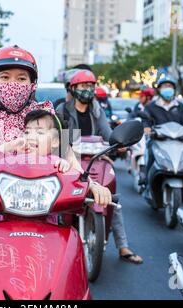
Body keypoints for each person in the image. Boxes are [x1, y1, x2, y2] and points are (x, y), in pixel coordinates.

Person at [0, 45, 112, 210]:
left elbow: (72, 161)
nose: (13, 84)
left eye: (21, 78)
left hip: (48, 210)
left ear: (32, 84)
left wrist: (94, 185)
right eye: (5, 77)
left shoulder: (51, 116)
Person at [56, 69, 143, 264]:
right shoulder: (61, 110)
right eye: (83, 86)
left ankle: (123, 246)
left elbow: (108, 133)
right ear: (73, 88)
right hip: (71, 161)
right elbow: (56, 136)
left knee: (111, 198)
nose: (88, 90)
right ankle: (56, 241)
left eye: (91, 86)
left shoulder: (97, 110)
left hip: (96, 158)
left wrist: (117, 145)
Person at [139, 77, 183, 185]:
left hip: (179, 141)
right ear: (159, 89)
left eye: (170, 86)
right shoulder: (151, 106)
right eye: (165, 86)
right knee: (150, 153)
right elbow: (146, 120)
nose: (168, 88)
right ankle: (147, 181)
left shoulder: (180, 106)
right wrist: (146, 127)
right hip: (158, 140)